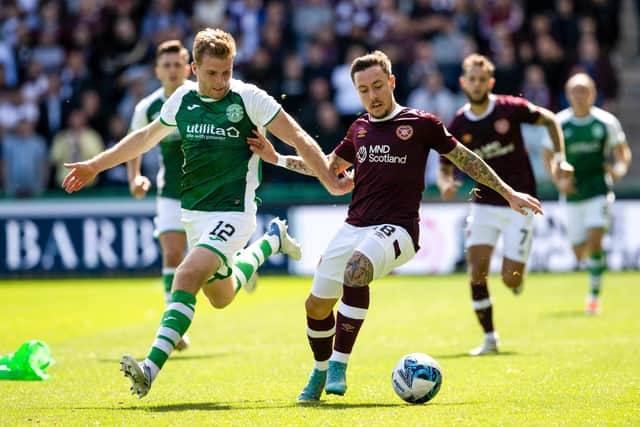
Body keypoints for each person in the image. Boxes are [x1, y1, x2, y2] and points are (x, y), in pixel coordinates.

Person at [61, 28, 351, 399]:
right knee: (221, 295)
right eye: (212, 73)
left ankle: (149, 369)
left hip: (233, 213)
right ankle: (270, 243)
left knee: (185, 272)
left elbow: (298, 136)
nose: (220, 81)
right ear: (194, 68)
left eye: (227, 72)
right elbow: (144, 138)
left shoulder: (249, 99)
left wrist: (328, 178)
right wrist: (96, 165)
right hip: (194, 216)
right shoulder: (181, 100)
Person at [246, 50, 542, 402]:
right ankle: (320, 371)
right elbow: (326, 167)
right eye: (363, 89)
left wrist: (508, 193)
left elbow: (465, 158)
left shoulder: (421, 124)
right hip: (354, 225)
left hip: (398, 229)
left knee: (357, 269)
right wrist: (276, 158)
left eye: (377, 86)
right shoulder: (358, 129)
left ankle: (339, 364)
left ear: (391, 82)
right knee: (316, 307)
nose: (372, 95)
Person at [437, 53, 573, 356]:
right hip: (483, 204)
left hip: (520, 202)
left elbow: (549, 119)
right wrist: (446, 183)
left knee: (510, 279)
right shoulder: (458, 123)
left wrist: (561, 159)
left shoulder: (509, 109)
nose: (476, 84)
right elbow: (445, 161)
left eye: (481, 79)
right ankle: (489, 338)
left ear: (490, 82)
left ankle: (514, 280)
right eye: (471, 79)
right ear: (463, 82)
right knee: (476, 270)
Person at [126, 40, 194, 352]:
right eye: (166, 65)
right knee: (171, 253)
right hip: (169, 192)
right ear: (157, 70)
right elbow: (134, 144)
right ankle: (173, 325)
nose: (172, 70)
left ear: (189, 67)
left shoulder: (203, 98)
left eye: (177, 64)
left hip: (208, 193)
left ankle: (244, 264)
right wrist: (135, 176)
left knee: (211, 270)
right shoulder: (148, 107)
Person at [549, 73, 631, 315]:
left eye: (584, 91)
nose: (579, 96)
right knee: (578, 249)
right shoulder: (559, 123)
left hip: (598, 189)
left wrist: (618, 170)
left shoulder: (606, 122)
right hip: (573, 193)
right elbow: (548, 156)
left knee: (595, 239)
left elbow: (622, 153)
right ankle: (593, 264)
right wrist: (558, 181)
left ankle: (594, 296)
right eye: (575, 91)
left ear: (593, 94)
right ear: (567, 94)